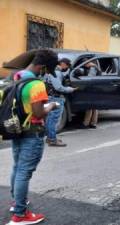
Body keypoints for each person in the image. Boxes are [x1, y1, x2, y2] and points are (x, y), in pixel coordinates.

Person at [8, 49, 59, 224]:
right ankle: (20, 215)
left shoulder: (17, 76)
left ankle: (17, 202)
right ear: (43, 67)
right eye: (47, 71)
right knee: (24, 171)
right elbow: (38, 112)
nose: (46, 75)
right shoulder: (36, 85)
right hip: (32, 132)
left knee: (17, 167)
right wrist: (51, 105)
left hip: (16, 129)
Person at [44, 58, 78, 146]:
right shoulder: (56, 73)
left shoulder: (49, 71)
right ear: (62, 64)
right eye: (67, 65)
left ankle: (50, 137)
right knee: (53, 119)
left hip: (49, 97)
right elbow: (58, 87)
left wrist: (70, 71)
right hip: (56, 98)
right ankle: (52, 139)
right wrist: (70, 89)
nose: (66, 68)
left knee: (49, 118)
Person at [82, 59, 101, 129]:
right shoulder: (96, 67)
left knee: (89, 106)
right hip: (96, 88)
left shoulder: (93, 68)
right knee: (95, 107)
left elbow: (89, 78)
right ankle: (93, 124)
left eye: (87, 63)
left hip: (92, 89)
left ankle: (86, 123)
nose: (85, 64)